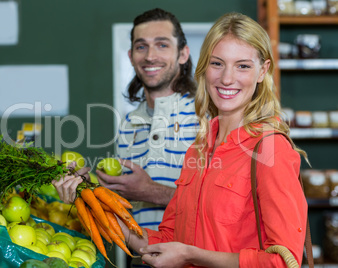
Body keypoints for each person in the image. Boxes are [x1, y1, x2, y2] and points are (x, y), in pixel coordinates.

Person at [54, 12, 309, 268]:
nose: (227, 78)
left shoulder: (270, 149)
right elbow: (163, 242)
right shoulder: (198, 149)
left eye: (243, 65)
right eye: (217, 63)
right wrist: (86, 196)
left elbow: (284, 262)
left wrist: (191, 255)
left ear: (263, 71)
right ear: (204, 67)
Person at [96, 7, 198, 231]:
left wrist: (152, 191)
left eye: (162, 44)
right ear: (131, 56)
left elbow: (223, 206)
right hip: (141, 258)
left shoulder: (208, 116)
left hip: (193, 262)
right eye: (141, 46)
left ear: (182, 54)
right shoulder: (129, 124)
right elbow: (126, 201)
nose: (150, 56)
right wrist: (86, 188)